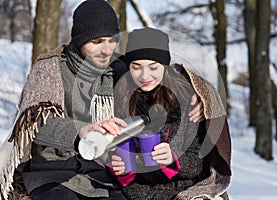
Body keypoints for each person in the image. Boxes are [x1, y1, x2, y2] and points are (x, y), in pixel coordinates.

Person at [2, 1, 204, 199]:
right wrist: (81, 131)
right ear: (80, 40)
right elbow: (34, 124)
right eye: (97, 42)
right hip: (54, 173)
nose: (106, 49)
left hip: (103, 177)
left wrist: (203, 95)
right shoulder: (50, 69)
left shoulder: (119, 69)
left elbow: (157, 66)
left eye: (111, 40)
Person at [110, 27, 232, 200]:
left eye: (153, 67)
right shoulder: (121, 98)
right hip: (137, 192)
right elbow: (119, 155)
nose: (145, 75)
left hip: (182, 189)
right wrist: (122, 170)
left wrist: (174, 159)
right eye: (136, 67)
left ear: (165, 66)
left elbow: (197, 162)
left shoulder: (185, 98)